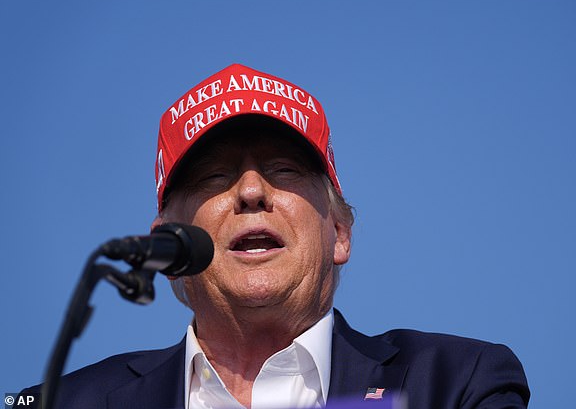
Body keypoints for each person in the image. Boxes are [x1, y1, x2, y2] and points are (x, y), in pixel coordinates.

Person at [21, 64, 530, 408]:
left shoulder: (454, 383)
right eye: (214, 178)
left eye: (284, 170)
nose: (249, 190)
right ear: (167, 248)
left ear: (339, 232)